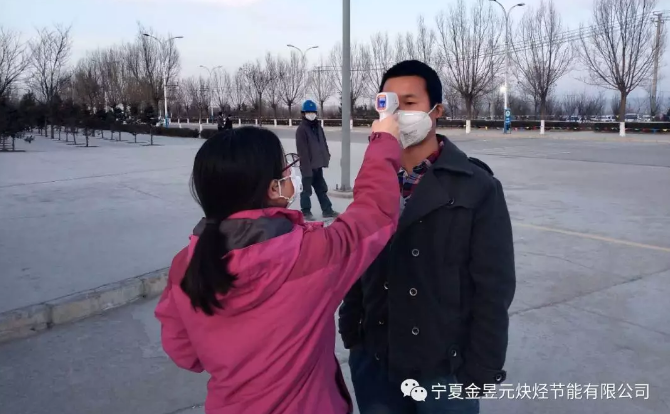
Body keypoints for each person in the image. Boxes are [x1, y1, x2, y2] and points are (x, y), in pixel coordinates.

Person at [155, 119, 402, 414]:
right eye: (287, 167)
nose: (291, 173)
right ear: (273, 188)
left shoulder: (185, 266)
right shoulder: (311, 255)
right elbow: (375, 211)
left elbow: (184, 352)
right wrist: (384, 140)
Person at [338, 60, 516, 414]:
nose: (397, 115)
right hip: (377, 358)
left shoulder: (477, 187)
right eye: (389, 104)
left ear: (437, 110)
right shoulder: (374, 180)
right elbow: (359, 259)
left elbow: (494, 288)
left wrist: (482, 367)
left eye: (409, 103)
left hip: (444, 368)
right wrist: (352, 330)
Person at [295, 100, 339, 221]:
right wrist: (306, 169)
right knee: (306, 191)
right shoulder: (301, 130)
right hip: (308, 166)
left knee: (321, 189)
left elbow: (323, 142)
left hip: (317, 165)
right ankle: (306, 211)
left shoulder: (318, 127)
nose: (311, 114)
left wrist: (326, 155)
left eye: (313, 112)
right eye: (308, 112)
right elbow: (302, 151)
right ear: (303, 113)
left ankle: (327, 210)